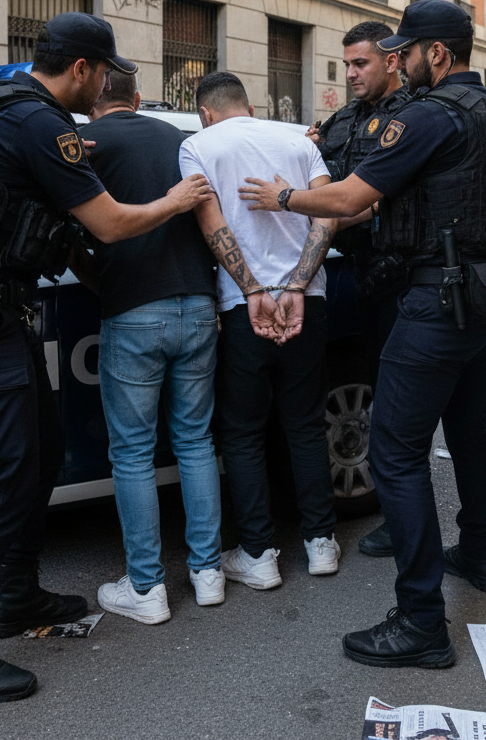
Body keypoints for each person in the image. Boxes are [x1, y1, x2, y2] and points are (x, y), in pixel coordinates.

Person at [0, 13, 212, 702]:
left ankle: (16, 596)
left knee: (41, 453)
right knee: (6, 474)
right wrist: (174, 200)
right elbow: (110, 224)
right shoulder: (41, 123)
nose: (103, 86)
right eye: (103, 73)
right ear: (82, 69)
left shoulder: (6, 104)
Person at [240, 0, 486, 669]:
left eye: (406, 52)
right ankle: (478, 554)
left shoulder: (430, 114)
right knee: (468, 428)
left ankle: (422, 621)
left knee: (395, 452)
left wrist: (282, 197)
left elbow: (350, 198)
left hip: (441, 298)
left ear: (438, 53)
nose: (399, 62)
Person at [179, 71, 341, 590]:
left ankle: (259, 555)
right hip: (307, 301)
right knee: (307, 424)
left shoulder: (198, 146)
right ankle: (321, 543)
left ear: (205, 113)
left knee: (243, 433)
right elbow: (328, 215)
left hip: (243, 308)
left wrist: (252, 290)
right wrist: (297, 284)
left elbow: (212, 224)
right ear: (249, 107)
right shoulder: (298, 142)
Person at [84, 72, 223, 624]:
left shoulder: (87, 145)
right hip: (198, 302)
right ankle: (208, 574)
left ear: (92, 100)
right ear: (137, 99)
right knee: (195, 441)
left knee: (133, 453)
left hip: (135, 309)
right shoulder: (180, 137)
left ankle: (146, 587)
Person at [307, 20, 410, 560]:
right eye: (346, 64)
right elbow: (324, 177)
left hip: (399, 277)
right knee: (374, 396)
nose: (349, 73)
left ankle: (401, 520)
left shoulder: (412, 115)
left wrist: (306, 210)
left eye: (360, 63)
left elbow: (373, 200)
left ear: (391, 61)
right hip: (355, 274)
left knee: (398, 403)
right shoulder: (343, 119)